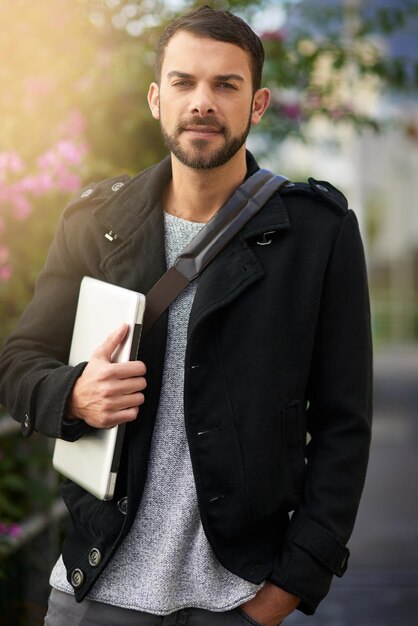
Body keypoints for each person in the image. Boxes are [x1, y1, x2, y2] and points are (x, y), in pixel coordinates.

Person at [0, 5, 372, 626]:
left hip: (238, 598)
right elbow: (17, 366)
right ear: (156, 98)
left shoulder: (318, 234)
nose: (203, 101)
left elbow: (344, 427)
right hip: (97, 584)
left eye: (226, 85)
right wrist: (74, 394)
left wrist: (288, 588)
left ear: (257, 104)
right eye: (184, 82)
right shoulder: (95, 222)